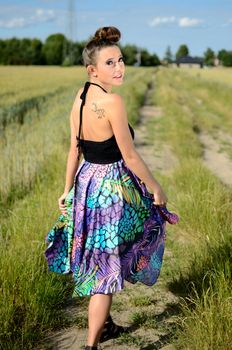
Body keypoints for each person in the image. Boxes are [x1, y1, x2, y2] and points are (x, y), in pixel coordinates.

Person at [45, 26, 178, 350]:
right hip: (110, 189)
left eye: (120, 60)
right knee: (105, 269)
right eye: (110, 63)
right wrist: (156, 187)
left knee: (108, 253)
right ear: (93, 69)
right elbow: (130, 155)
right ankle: (92, 344)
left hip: (87, 183)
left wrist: (67, 190)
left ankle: (106, 323)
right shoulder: (112, 102)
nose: (119, 68)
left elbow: (74, 149)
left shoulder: (80, 98)